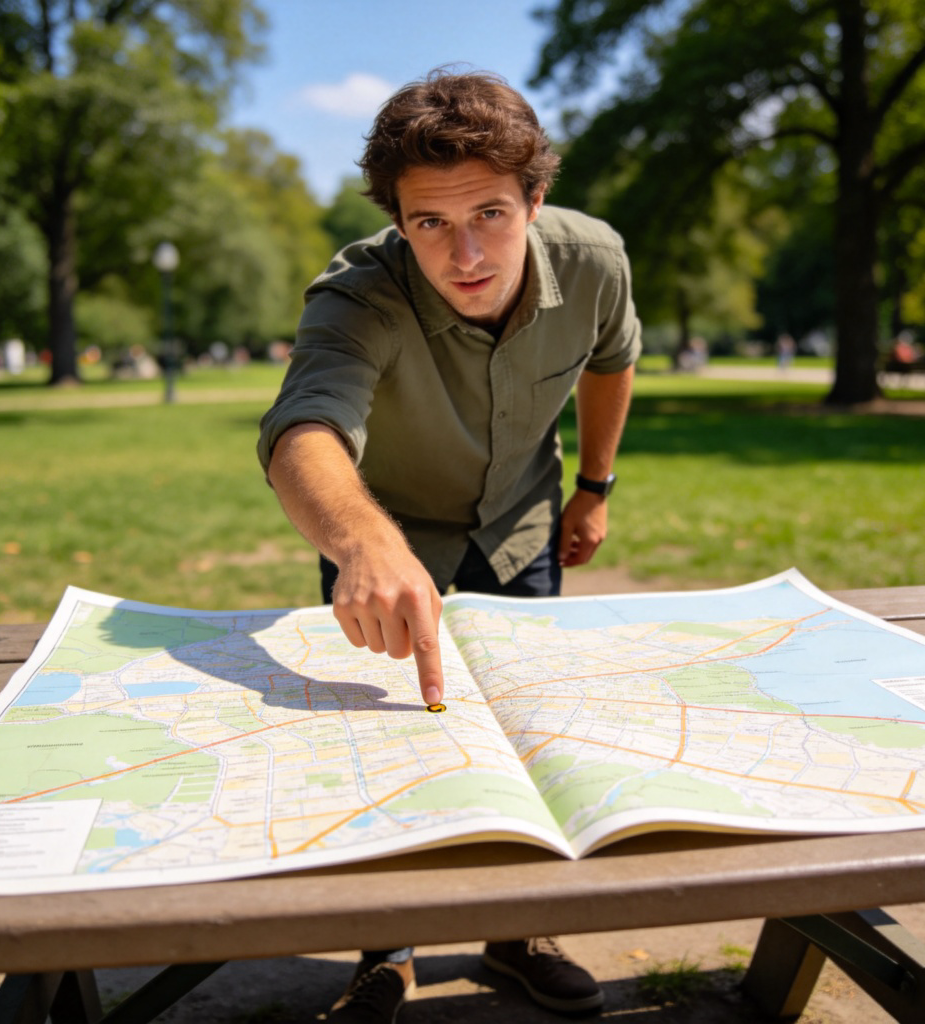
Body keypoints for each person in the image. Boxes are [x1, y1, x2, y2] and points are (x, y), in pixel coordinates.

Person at [257, 68, 641, 1023]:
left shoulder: (594, 259)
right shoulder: (358, 293)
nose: (466, 252)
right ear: (397, 218)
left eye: (492, 215)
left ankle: (519, 934)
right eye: (430, 223)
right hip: (383, 543)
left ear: (535, 198)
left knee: (526, 734)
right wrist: (360, 544)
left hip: (522, 529)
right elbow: (301, 428)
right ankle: (387, 951)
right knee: (390, 745)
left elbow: (613, 357)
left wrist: (593, 488)